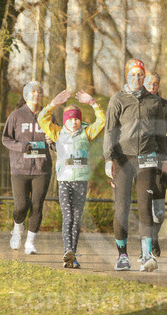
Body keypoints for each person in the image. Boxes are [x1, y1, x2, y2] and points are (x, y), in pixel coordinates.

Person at [103, 58, 167, 272]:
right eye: (133, 74)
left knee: (145, 207)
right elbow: (110, 131)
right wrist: (108, 159)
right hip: (123, 159)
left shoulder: (154, 102)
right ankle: (122, 255)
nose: (137, 78)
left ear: (144, 77)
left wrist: (165, 160)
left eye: (140, 74)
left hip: (148, 158)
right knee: (122, 209)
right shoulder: (118, 99)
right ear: (127, 76)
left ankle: (147, 255)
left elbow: (160, 134)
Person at [38, 89, 105, 269]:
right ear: (65, 120)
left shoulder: (87, 133)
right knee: (68, 217)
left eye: (76, 119)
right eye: (70, 119)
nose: (73, 122)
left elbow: (102, 121)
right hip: (64, 181)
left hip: (81, 182)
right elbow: (42, 119)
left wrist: (93, 103)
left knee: (76, 220)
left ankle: (72, 255)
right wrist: (53, 104)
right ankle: (67, 251)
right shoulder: (57, 133)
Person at [2, 81, 51, 255]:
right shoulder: (16, 115)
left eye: (39, 91)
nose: (36, 94)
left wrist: (53, 141)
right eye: (33, 91)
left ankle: (30, 242)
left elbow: (57, 137)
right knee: (21, 206)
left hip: (42, 169)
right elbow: (6, 139)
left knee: (37, 206)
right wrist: (22, 147)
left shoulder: (47, 115)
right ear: (26, 95)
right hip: (19, 168)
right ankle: (17, 229)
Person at [143, 71, 167, 257]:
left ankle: (154, 236)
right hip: (141, 159)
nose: (152, 87)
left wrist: (159, 142)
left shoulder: (166, 105)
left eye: (155, 84)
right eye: (149, 83)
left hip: (160, 158)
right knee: (145, 204)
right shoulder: (138, 104)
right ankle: (147, 246)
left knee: (159, 211)